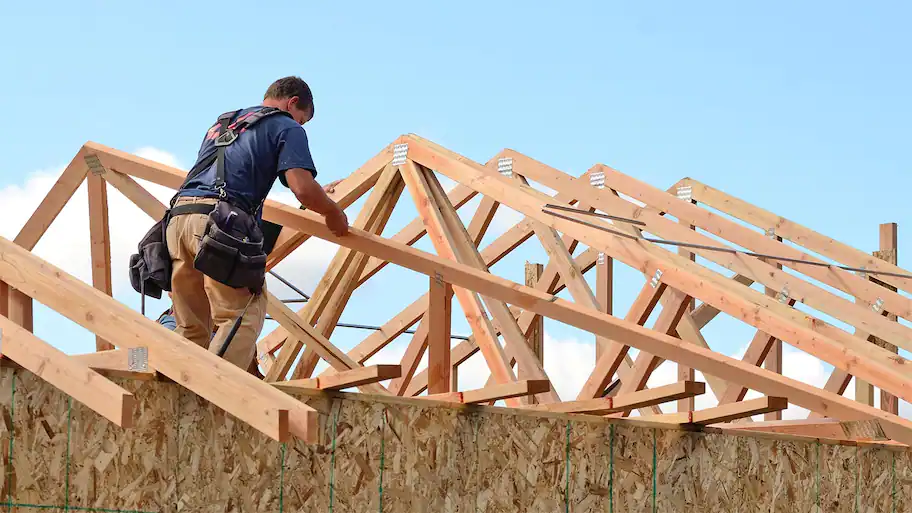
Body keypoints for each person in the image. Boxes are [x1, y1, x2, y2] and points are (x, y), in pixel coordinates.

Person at [165, 76, 348, 370]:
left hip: (179, 219)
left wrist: (309, 202)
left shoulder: (224, 124)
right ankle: (214, 395)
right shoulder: (286, 125)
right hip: (220, 223)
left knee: (192, 326)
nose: (300, 126)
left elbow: (232, 175)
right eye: (303, 119)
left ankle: (183, 395)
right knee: (243, 314)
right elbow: (301, 185)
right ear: (292, 104)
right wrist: (331, 212)